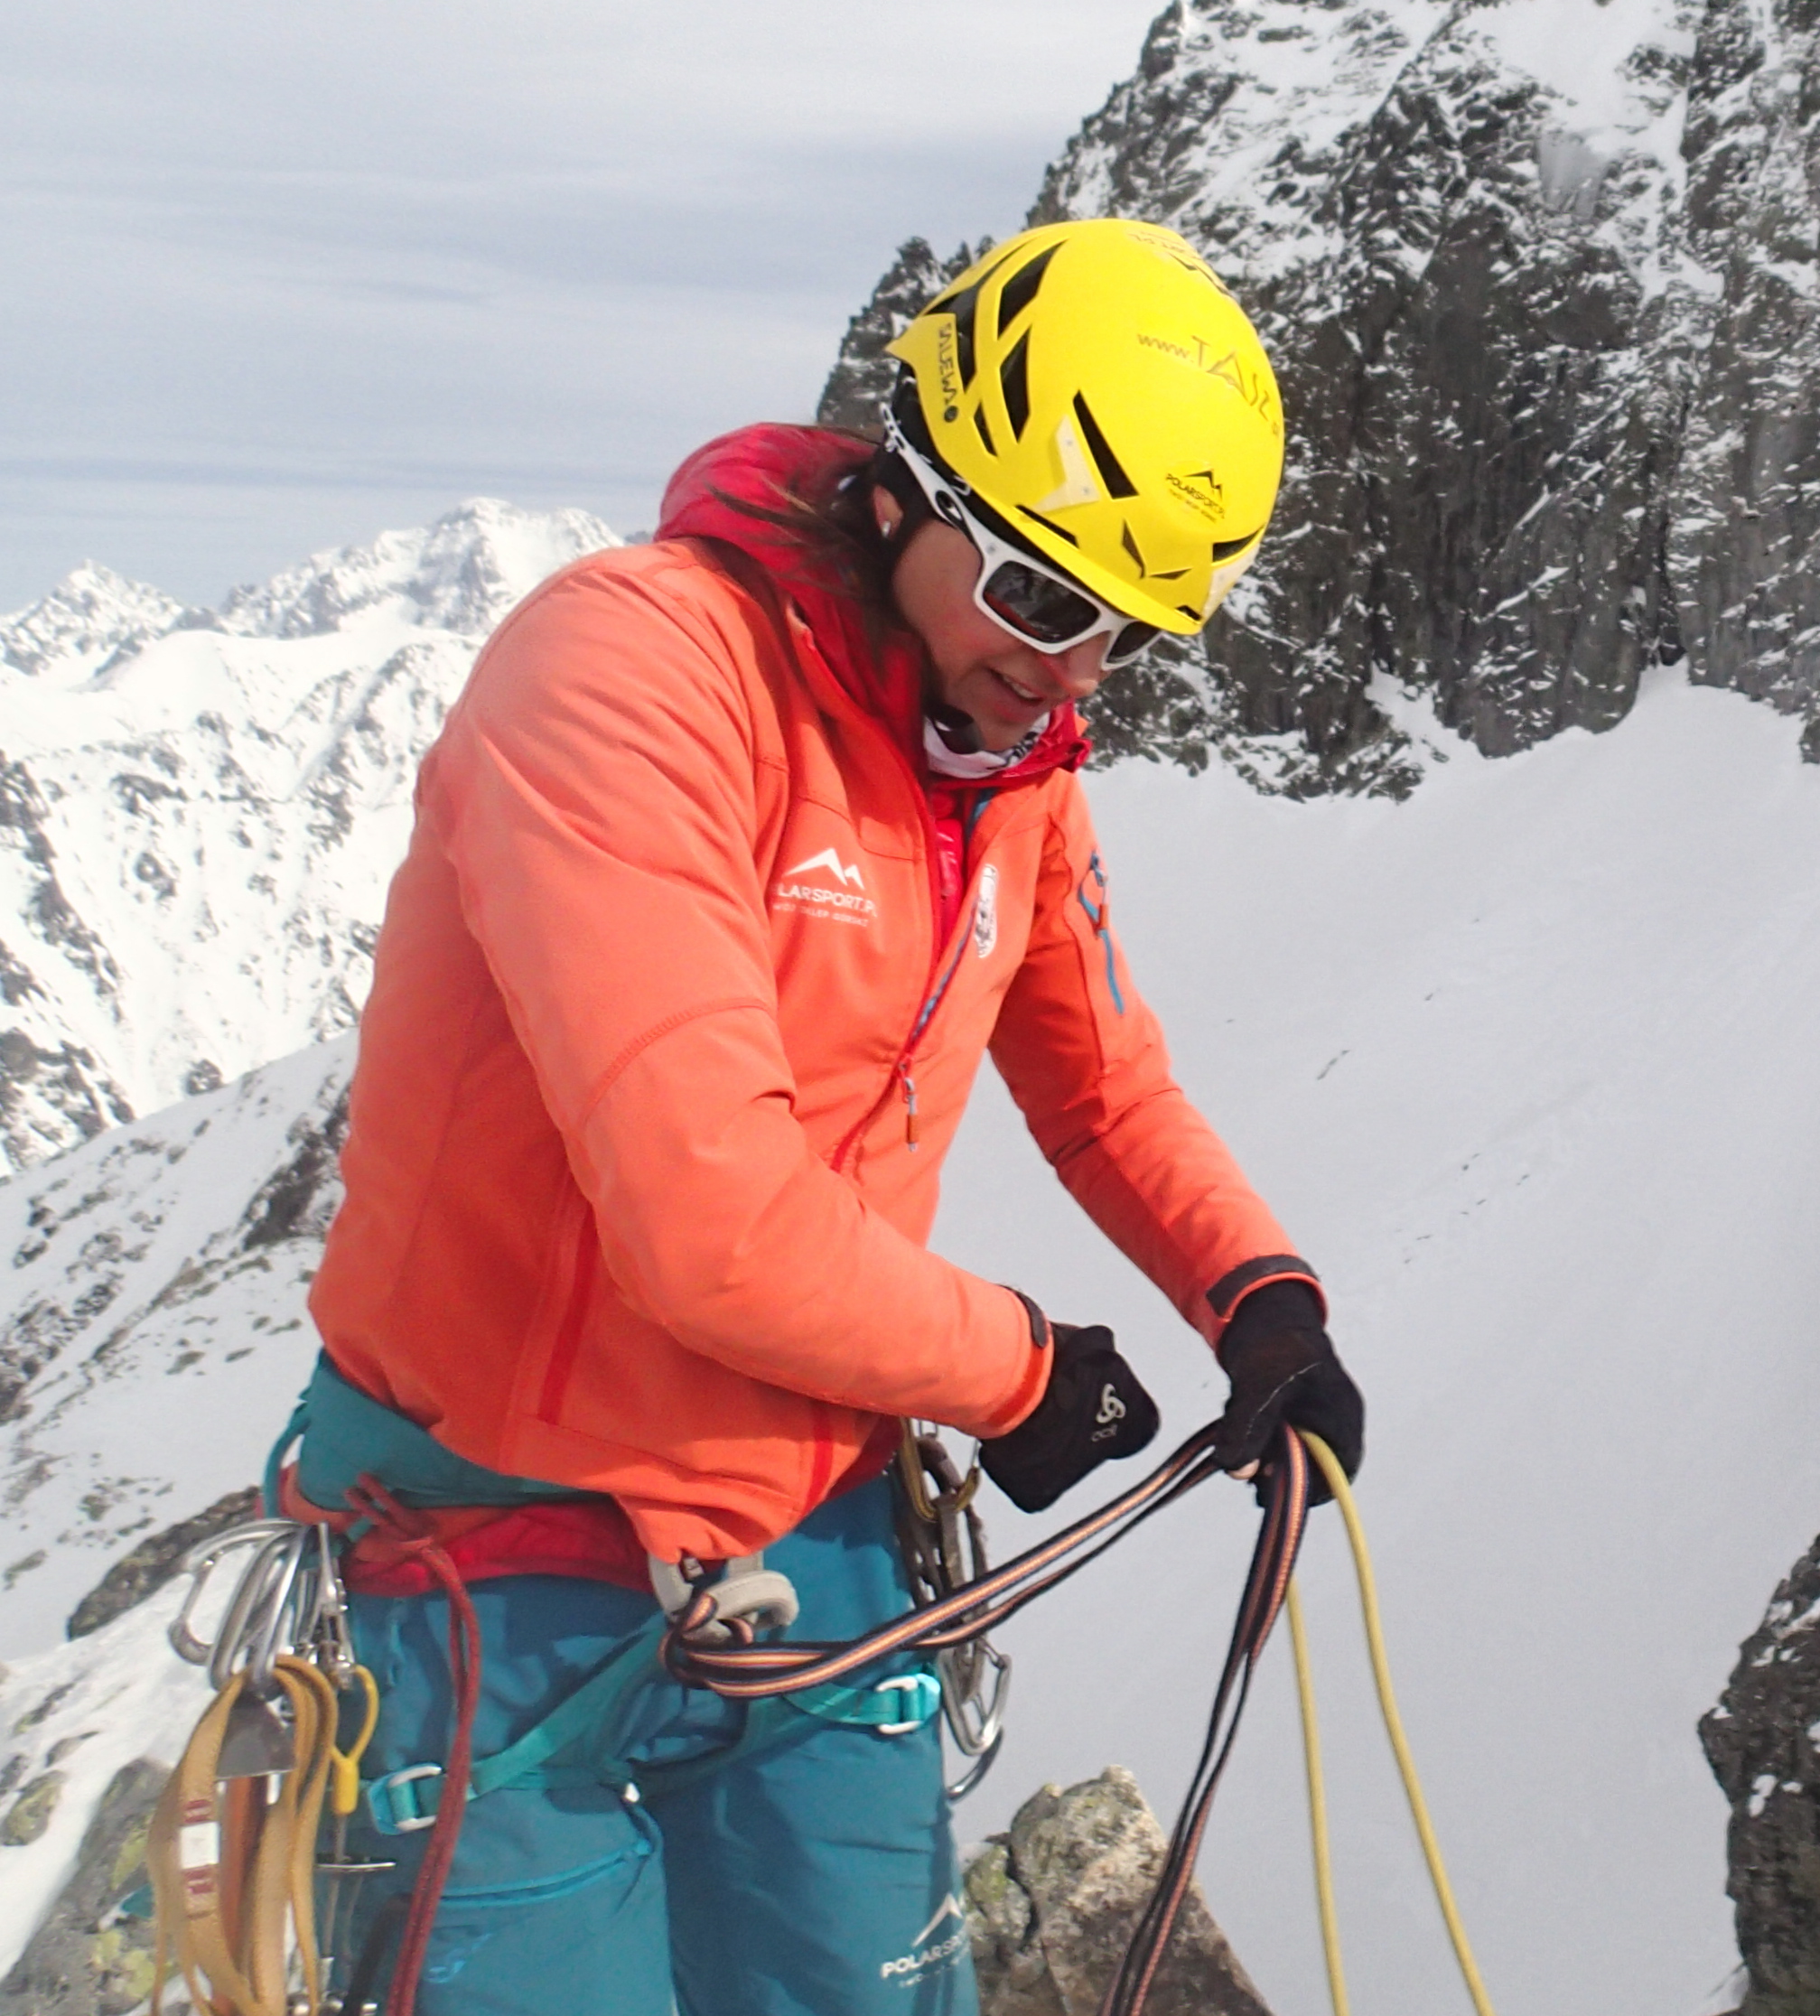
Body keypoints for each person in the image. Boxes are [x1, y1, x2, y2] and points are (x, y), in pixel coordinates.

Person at [284, 219, 1364, 2015]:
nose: (1075, 668)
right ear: (897, 494)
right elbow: (713, 1226)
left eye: (1126, 631)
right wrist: (1025, 1370)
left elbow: (1098, 1081)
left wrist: (1258, 1295)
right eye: (1038, 596)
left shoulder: (1007, 771)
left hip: (810, 1521)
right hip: (489, 1529)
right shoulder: (632, 674)